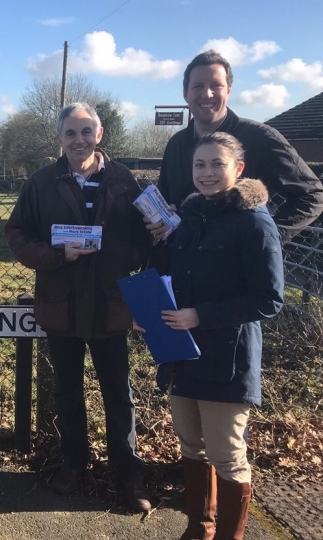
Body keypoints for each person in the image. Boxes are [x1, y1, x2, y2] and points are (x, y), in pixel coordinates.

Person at [4, 103, 153, 512]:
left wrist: (129, 258)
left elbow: (148, 233)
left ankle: (128, 472)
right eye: (70, 133)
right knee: (67, 391)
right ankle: (75, 464)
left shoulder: (124, 180)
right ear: (60, 138)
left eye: (86, 132)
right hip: (61, 306)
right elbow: (16, 232)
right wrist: (53, 255)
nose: (78, 140)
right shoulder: (41, 182)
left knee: (118, 394)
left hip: (111, 305)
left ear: (99, 135)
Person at [151, 132, 284, 539]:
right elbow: (176, 278)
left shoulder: (254, 223)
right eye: (199, 165)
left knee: (227, 456)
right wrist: (152, 314)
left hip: (227, 360)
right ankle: (199, 528)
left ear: (238, 169)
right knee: (190, 445)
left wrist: (199, 316)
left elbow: (268, 299)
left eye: (217, 164)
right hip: (181, 352)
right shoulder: (190, 217)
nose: (207, 173)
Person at [152, 49, 323, 245]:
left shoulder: (260, 138)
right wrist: (161, 218)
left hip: (235, 272)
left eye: (216, 85)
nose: (207, 94)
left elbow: (312, 194)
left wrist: (267, 238)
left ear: (229, 90)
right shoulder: (176, 144)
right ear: (185, 94)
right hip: (180, 264)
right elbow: (166, 199)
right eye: (198, 86)